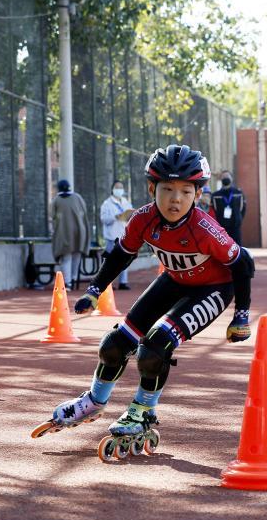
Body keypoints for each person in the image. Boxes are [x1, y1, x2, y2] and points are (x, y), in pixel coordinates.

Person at [31, 144, 255, 455]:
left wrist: (241, 315)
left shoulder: (206, 229)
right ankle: (94, 401)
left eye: (185, 191)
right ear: (152, 188)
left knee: (154, 347)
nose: (175, 199)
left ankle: (143, 410)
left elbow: (243, 264)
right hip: (174, 281)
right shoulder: (142, 219)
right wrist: (95, 290)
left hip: (213, 288)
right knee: (113, 346)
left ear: (198, 195)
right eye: (167, 189)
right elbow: (120, 255)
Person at [51, 179, 89, 290]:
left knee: (66, 258)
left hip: (63, 233)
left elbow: (52, 216)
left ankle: (67, 283)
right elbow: (84, 213)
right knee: (76, 256)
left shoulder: (56, 200)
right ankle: (72, 279)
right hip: (79, 233)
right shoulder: (78, 197)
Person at [100, 180, 135, 290]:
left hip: (124, 235)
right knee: (110, 261)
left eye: (121, 187)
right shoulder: (107, 203)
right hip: (111, 236)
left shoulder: (126, 202)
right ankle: (107, 283)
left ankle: (123, 282)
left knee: (124, 259)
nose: (119, 189)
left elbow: (132, 216)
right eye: (117, 187)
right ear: (112, 189)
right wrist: (116, 216)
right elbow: (104, 219)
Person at [209, 171, 246, 244]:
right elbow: (213, 210)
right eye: (223, 176)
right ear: (221, 179)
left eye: (227, 176)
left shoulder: (239, 193)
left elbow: (243, 209)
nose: (225, 178)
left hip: (235, 226)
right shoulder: (215, 195)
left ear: (231, 179)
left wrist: (239, 219)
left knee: (237, 247)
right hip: (221, 227)